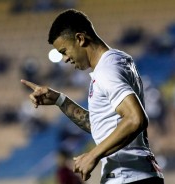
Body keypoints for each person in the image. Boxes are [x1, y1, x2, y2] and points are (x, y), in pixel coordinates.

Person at [21, 9, 164, 184]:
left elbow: (136, 119)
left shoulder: (107, 70)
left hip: (128, 177)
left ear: (80, 39)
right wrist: (60, 100)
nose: (65, 59)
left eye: (65, 51)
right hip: (137, 174)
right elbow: (102, 126)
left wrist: (93, 155)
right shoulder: (116, 61)